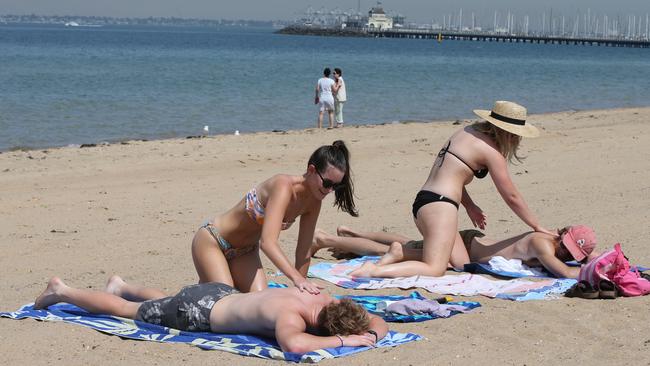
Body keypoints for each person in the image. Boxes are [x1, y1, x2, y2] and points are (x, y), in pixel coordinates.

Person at [348, 101, 554, 278]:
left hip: (425, 201)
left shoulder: (466, 132)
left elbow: (453, 175)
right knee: (435, 268)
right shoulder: (492, 152)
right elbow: (511, 196)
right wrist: (537, 226)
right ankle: (374, 270)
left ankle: (401, 252)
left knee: (461, 264)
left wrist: (470, 206)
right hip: (440, 207)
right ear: (510, 134)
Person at [34, 276, 388, 353]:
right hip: (198, 312)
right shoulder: (293, 318)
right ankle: (62, 290)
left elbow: (377, 321)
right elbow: (293, 345)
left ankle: (121, 283)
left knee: (167, 299)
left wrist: (369, 332)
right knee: (131, 313)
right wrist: (348, 339)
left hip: (219, 292)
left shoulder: (319, 296)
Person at [192, 141, 357, 294]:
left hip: (245, 253)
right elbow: (268, 243)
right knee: (226, 301)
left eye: (336, 186)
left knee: (259, 303)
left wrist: (302, 289)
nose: (329, 191)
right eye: (327, 184)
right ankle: (203, 287)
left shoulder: (314, 202)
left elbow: (303, 251)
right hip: (214, 241)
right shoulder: (283, 185)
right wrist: (296, 278)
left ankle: (209, 283)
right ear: (311, 170)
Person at [313, 225, 597, 279]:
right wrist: (594, 268)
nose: (564, 253)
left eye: (570, 252)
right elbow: (565, 273)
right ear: (562, 236)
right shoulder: (543, 244)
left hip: (469, 244)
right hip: (464, 247)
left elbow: (567, 264)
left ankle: (352, 233)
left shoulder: (549, 242)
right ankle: (326, 240)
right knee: (398, 250)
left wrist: (590, 258)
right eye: (566, 247)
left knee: (407, 242)